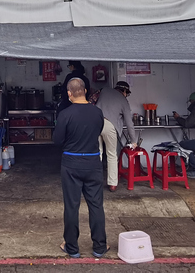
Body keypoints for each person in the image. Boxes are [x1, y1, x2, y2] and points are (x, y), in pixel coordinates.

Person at [53, 77, 108, 259]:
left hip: (71, 164)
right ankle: (99, 247)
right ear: (85, 91)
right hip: (93, 163)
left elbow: (58, 141)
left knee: (71, 206)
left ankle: (72, 248)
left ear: (69, 94)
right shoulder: (97, 113)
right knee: (96, 205)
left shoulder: (65, 115)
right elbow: (98, 130)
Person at [95, 81, 137, 191]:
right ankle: (112, 184)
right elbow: (129, 123)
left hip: (95, 122)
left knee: (97, 153)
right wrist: (134, 141)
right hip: (110, 125)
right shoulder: (124, 101)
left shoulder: (105, 90)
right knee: (112, 155)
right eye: (126, 93)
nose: (126, 95)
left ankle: (95, 182)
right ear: (124, 91)